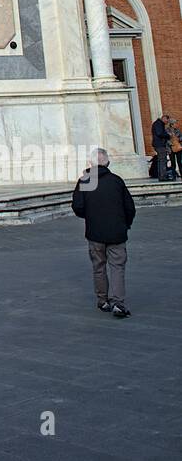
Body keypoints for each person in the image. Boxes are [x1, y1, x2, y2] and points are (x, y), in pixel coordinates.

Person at [71, 148, 136, 319]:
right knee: (117, 267)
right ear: (107, 162)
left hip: (95, 232)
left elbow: (77, 206)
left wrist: (90, 216)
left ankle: (103, 300)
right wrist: (125, 224)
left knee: (98, 266)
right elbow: (130, 207)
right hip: (117, 231)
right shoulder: (116, 181)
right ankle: (118, 303)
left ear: (90, 163)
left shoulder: (85, 180)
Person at [149, 113, 176, 180]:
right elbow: (159, 133)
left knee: (161, 160)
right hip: (159, 144)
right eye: (167, 121)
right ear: (164, 118)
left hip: (158, 144)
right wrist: (168, 135)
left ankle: (162, 176)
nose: (167, 123)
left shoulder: (158, 123)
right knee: (162, 160)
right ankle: (162, 176)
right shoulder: (158, 124)